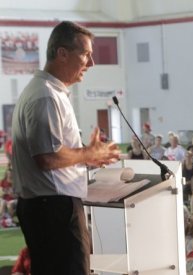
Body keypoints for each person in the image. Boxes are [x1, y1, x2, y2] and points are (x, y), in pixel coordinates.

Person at [11, 21, 121, 275]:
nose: (91, 63)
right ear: (62, 53)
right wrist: (87, 154)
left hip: (49, 207)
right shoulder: (46, 95)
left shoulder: (49, 92)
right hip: (54, 210)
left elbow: (53, 152)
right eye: (85, 54)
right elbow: (46, 158)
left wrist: (86, 157)